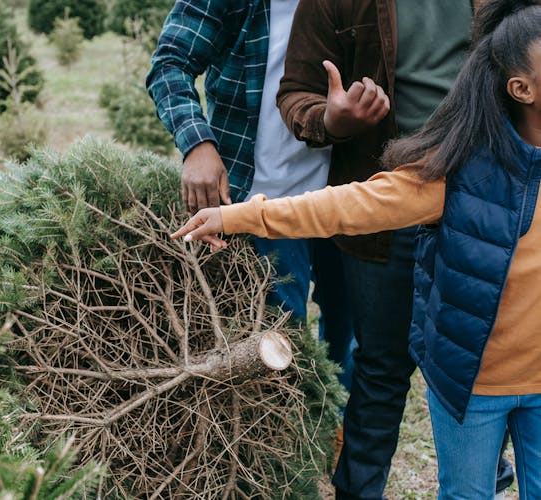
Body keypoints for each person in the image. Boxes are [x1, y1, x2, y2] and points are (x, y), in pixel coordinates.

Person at [171, 0, 541, 498]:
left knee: (489, 321)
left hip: (492, 188)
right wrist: (333, 120)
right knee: (383, 367)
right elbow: (344, 192)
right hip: (403, 198)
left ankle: (487, 452)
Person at [276, 0, 512, 497]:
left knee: (491, 356)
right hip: (387, 205)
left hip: (488, 200)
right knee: (382, 366)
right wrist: (335, 120)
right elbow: (296, 94)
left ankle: (485, 469)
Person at [146, 0, 355, 391]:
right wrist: (197, 145)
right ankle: (290, 436)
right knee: (276, 342)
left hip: (349, 194)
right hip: (262, 201)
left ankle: (335, 434)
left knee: (349, 337)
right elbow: (170, 63)